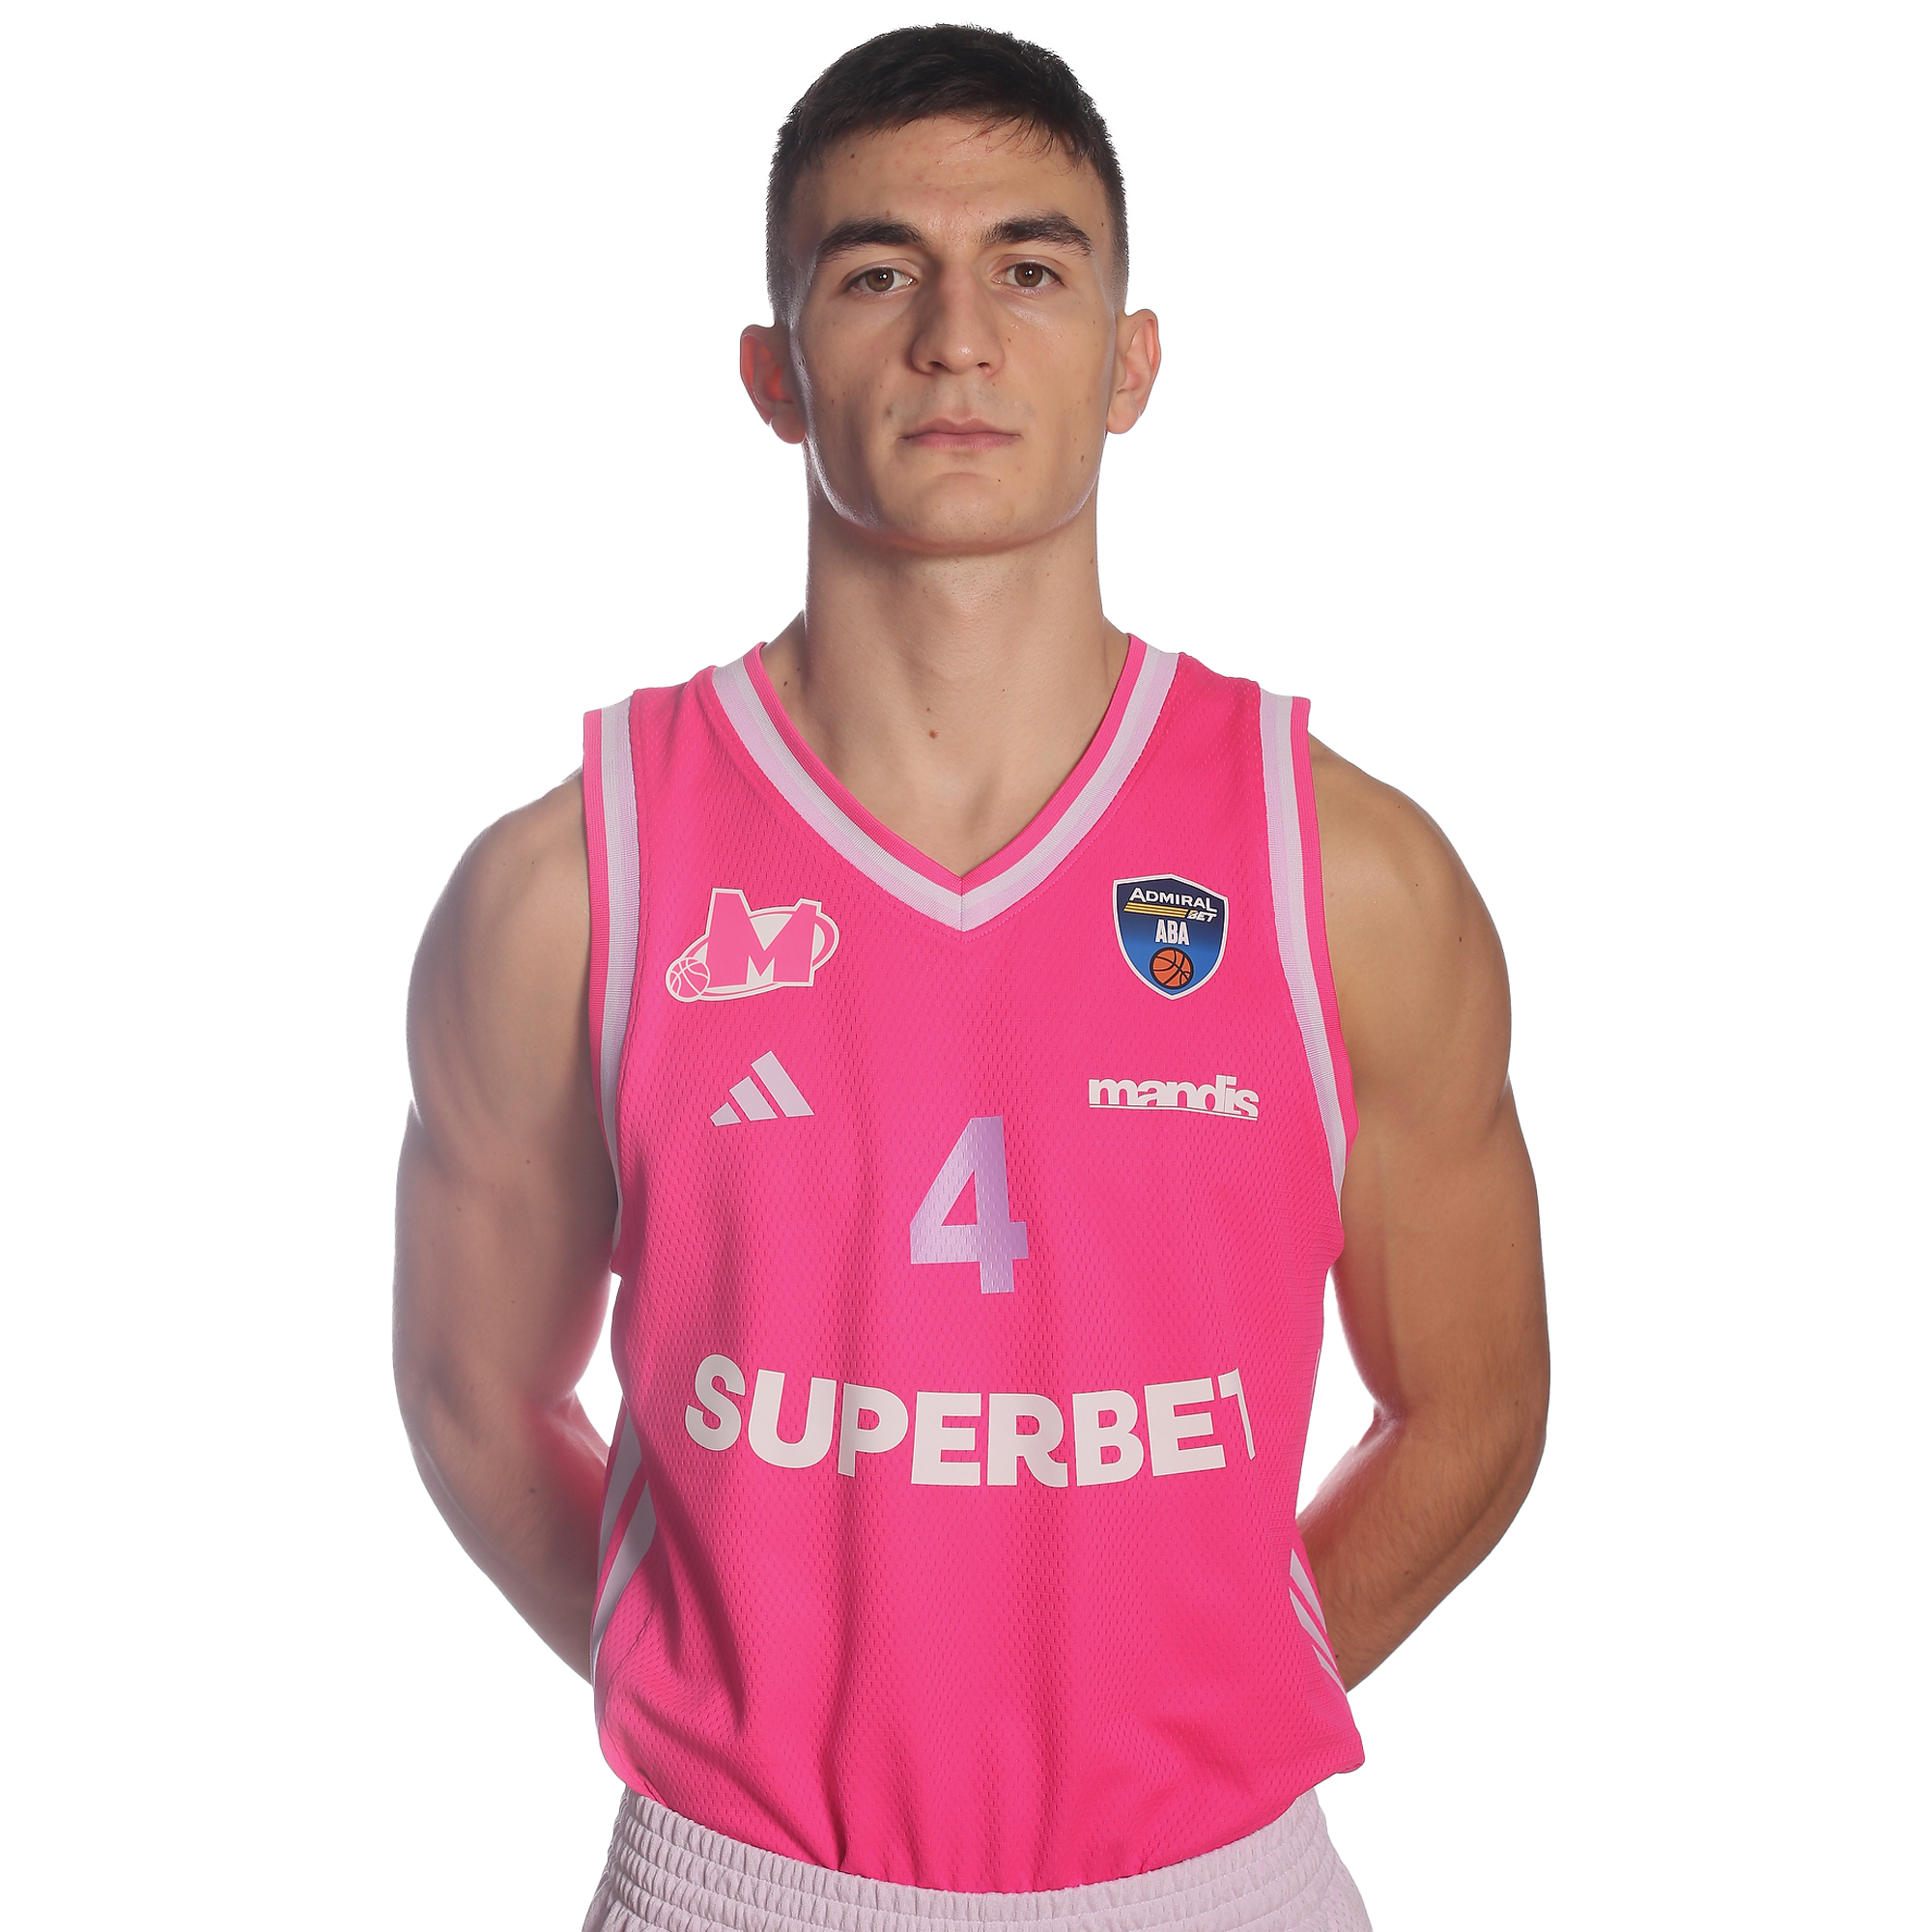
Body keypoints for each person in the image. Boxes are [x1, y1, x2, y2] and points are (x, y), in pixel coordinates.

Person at [394, 23, 1548, 1930]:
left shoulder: (1345, 874)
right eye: (876, 274)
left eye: (1029, 268)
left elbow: (1476, 1408)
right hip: (730, 1885)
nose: (955, 338)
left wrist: (1204, 1707)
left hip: (1220, 1886)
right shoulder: (569, 885)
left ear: (1130, 360)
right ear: (775, 374)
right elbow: (466, 1390)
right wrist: (714, 1700)